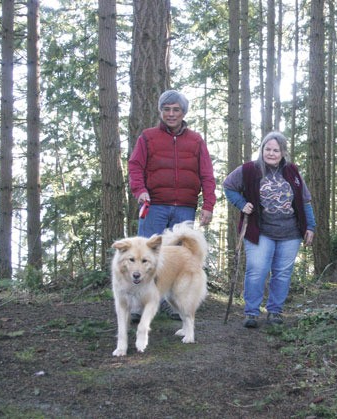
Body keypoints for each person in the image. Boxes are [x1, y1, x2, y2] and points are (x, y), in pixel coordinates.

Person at [128, 89, 216, 321]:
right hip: (154, 205)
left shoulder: (196, 140)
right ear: (160, 111)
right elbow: (135, 166)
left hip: (185, 207)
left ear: (183, 112)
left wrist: (208, 204)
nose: (171, 114)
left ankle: (175, 303)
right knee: (144, 255)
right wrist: (140, 191)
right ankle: (138, 305)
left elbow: (207, 174)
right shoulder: (147, 137)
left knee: (177, 259)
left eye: (176, 109)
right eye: (166, 109)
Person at [223, 131, 315, 328]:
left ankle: (275, 311)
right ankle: (251, 312)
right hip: (259, 230)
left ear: (283, 152)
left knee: (282, 273)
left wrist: (311, 226)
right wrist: (241, 203)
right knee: (257, 270)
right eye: (268, 149)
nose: (271, 153)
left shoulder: (292, 171)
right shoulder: (249, 169)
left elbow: (305, 200)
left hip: (290, 232)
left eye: (276, 150)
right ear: (262, 149)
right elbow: (228, 186)